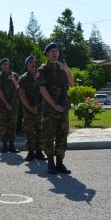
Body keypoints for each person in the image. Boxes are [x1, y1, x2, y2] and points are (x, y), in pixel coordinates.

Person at [37, 43, 75, 174]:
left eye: (56, 51)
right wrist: (54, 105)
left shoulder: (63, 67)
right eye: (52, 51)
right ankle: (51, 163)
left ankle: (60, 163)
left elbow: (72, 83)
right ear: (47, 54)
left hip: (63, 108)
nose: (55, 53)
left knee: (62, 136)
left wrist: (67, 70)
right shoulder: (43, 69)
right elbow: (42, 89)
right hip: (49, 109)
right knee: (48, 137)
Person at [17, 55, 46, 161]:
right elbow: (21, 94)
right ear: (26, 65)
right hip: (29, 110)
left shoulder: (39, 76)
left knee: (40, 130)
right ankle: (30, 152)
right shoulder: (23, 78)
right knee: (30, 131)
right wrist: (30, 108)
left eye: (34, 62)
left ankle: (39, 152)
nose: (33, 63)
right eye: (30, 62)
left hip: (40, 109)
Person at [0, 58, 20, 153]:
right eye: (4, 64)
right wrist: (6, 103)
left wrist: (13, 80)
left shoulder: (15, 75)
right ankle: (5, 146)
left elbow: (18, 88)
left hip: (13, 104)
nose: (6, 66)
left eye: (7, 64)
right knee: (3, 125)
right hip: (2, 105)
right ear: (1, 66)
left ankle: (12, 146)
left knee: (13, 124)